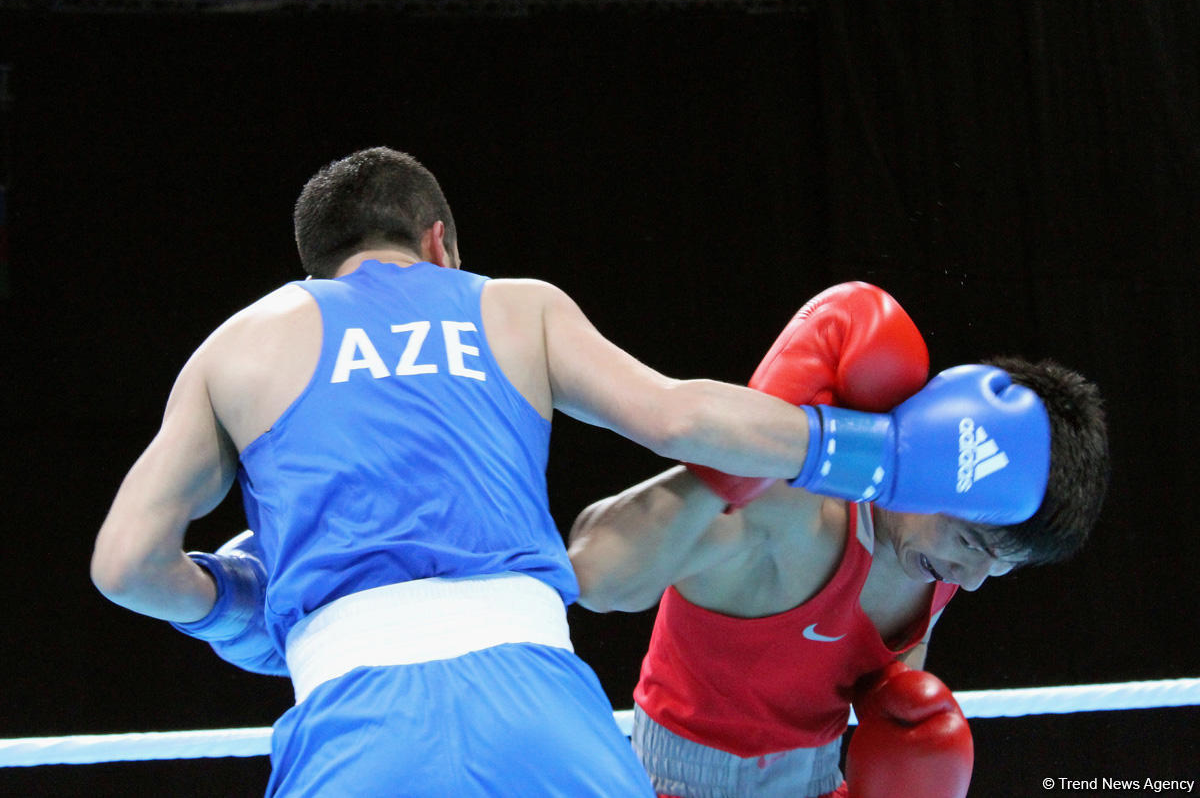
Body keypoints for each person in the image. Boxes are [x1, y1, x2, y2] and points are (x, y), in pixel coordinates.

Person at [89, 147, 926, 796]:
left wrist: (241, 609)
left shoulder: (245, 343)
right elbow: (685, 418)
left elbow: (126, 566)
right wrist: (890, 456)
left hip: (354, 715)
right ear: (438, 241)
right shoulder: (513, 304)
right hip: (543, 708)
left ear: (316, 269)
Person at [566, 282, 1110, 798]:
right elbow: (594, 574)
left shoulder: (935, 559)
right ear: (937, 466)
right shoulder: (792, 514)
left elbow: (867, 663)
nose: (969, 581)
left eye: (1001, 566)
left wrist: (891, 705)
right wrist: (731, 472)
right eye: (972, 543)